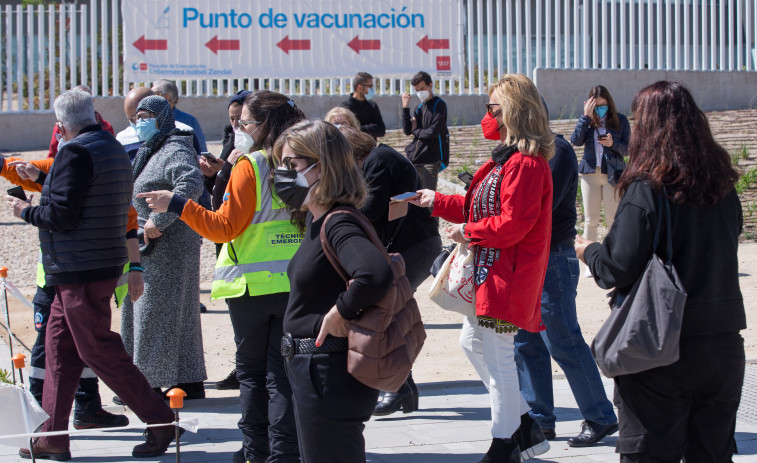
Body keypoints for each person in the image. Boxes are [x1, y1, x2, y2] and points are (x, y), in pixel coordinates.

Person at [575, 81, 746, 462]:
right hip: (722, 346)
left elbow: (615, 268)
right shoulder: (724, 186)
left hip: (660, 345)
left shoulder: (648, 188)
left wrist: (588, 251)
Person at [6, 89, 177, 460]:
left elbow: (61, 215)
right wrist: (40, 178)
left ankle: (161, 421)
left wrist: (24, 210)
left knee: (98, 351)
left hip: (79, 269)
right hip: (87, 266)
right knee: (59, 351)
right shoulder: (111, 147)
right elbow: (86, 199)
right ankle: (52, 436)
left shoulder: (74, 151)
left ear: (61, 125)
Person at [139, 90, 305, 463]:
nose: (240, 129)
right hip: (296, 283)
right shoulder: (306, 159)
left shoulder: (253, 165)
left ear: (264, 125)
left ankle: (254, 451)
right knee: (283, 374)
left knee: (252, 373)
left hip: (252, 288)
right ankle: (284, 453)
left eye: (244, 122)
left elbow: (224, 227)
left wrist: (177, 204)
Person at [411, 74, 554, 462]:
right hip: (492, 273)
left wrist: (467, 231)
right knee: (474, 344)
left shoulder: (525, 163)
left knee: (498, 356)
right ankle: (523, 424)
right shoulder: (505, 160)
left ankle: (505, 442)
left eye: (492, 108)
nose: (486, 116)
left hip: (508, 276)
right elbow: (481, 208)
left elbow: (512, 224)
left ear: (512, 111)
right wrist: (436, 201)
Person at [272, 120, 394, 462]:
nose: (283, 173)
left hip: (327, 372)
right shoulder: (319, 219)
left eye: (292, 165)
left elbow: (374, 274)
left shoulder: (338, 221)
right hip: (314, 370)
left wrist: (341, 311)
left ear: (322, 167)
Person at [1, 155, 136, 431]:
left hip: (79, 279)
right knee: (45, 350)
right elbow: (13, 169)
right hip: (55, 280)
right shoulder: (63, 164)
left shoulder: (96, 174)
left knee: (83, 344)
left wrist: (135, 267)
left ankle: (86, 408)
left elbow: (128, 222)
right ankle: (37, 416)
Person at [513, 100, 618, 451]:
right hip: (531, 260)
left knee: (563, 339)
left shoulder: (555, 150)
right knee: (526, 342)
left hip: (553, 258)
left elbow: (538, 206)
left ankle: (600, 415)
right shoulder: (523, 152)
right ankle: (539, 420)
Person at [338, 126, 442, 416]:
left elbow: (369, 210)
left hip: (416, 247)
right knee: (388, 313)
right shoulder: (377, 159)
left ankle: (397, 388)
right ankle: (401, 388)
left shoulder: (378, 160)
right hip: (412, 246)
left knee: (383, 311)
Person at [119, 95, 207, 403]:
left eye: (145, 116)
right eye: (136, 117)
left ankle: (151, 384)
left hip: (167, 244)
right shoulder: (152, 150)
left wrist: (160, 218)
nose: (139, 122)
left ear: (162, 118)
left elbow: (191, 183)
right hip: (153, 245)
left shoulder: (175, 148)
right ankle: (186, 380)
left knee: (155, 313)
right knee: (169, 314)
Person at [202, 89, 251, 392]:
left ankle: (246, 368)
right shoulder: (232, 141)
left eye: (241, 120)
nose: (236, 126)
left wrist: (225, 171)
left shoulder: (259, 151)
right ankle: (242, 365)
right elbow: (223, 189)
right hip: (226, 233)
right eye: (232, 120)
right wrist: (213, 174)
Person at [570, 85, 631, 276]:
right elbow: (575, 140)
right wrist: (585, 117)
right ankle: (589, 260)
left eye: (603, 105)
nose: (600, 110)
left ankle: (613, 259)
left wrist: (613, 143)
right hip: (590, 174)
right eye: (596, 106)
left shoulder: (620, 120)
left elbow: (628, 150)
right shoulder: (588, 122)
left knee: (612, 218)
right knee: (591, 219)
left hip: (612, 174)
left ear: (609, 103)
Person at [116, 86, 203, 157]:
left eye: (144, 116)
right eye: (132, 120)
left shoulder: (184, 132)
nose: (138, 123)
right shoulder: (123, 139)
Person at [401, 70, 450, 191]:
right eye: (417, 90)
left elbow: (432, 132)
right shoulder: (419, 108)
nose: (419, 92)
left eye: (422, 88)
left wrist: (416, 130)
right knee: (413, 197)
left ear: (430, 85)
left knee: (428, 200)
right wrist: (405, 107)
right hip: (415, 158)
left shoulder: (439, 105)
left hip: (431, 160)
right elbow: (407, 130)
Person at [47, 85, 113, 158]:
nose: (80, 105)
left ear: (92, 101)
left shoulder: (106, 126)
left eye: (84, 101)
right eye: (76, 102)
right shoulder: (62, 126)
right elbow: (53, 154)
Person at [152, 78, 207, 152]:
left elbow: (202, 152)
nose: (149, 98)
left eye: (153, 94)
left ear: (166, 97)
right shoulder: (148, 120)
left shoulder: (189, 121)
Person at [339, 72, 386, 139]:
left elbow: (381, 130)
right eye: (369, 86)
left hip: (370, 148)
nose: (372, 89)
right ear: (359, 88)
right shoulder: (344, 108)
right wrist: (370, 127)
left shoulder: (372, 105)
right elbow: (344, 131)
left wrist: (356, 128)